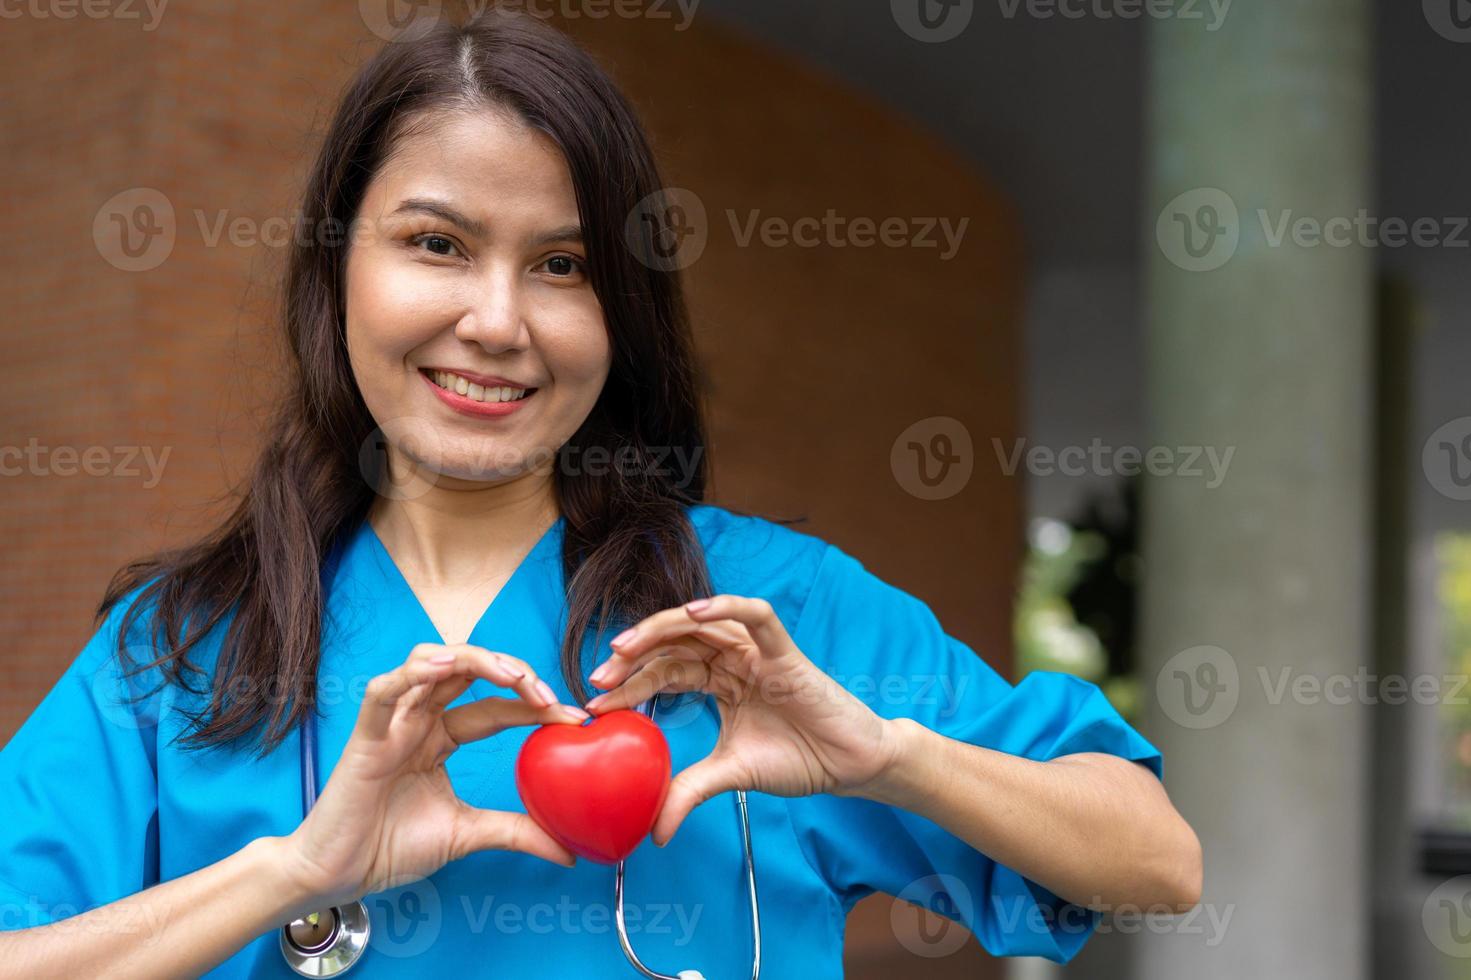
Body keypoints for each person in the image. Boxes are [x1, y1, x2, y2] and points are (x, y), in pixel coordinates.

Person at [0, 8, 1200, 977]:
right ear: (336, 266)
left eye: (563, 265)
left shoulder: (765, 616)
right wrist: (293, 870)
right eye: (435, 243)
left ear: (621, 314)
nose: (496, 321)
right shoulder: (176, 651)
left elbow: (1153, 859)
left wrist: (888, 756)